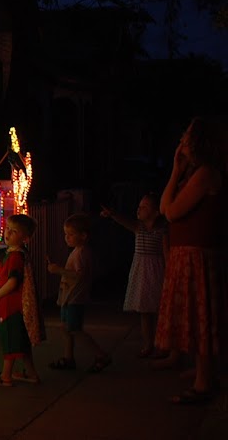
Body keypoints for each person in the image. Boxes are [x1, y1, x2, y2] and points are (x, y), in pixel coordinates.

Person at [154, 116, 225, 404]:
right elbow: (163, 206)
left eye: (185, 138)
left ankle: (204, 382)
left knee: (201, 316)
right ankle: (202, 372)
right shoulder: (195, 173)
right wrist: (175, 171)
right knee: (195, 316)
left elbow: (171, 212)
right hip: (189, 253)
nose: (181, 142)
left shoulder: (206, 173)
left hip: (197, 254)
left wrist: (178, 171)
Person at [101, 192, 168, 357]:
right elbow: (125, 222)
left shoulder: (162, 231)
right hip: (142, 271)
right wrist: (113, 214)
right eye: (139, 206)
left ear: (156, 212)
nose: (139, 210)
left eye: (144, 207)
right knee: (144, 310)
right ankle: (148, 344)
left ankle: (163, 345)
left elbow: (166, 253)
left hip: (157, 271)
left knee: (160, 310)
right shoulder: (139, 228)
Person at [47, 213, 111, 373]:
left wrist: (59, 270)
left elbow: (79, 275)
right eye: (65, 234)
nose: (67, 238)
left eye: (70, 234)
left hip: (75, 298)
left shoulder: (81, 253)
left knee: (75, 329)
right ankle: (68, 357)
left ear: (83, 236)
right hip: (69, 297)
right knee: (66, 328)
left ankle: (101, 354)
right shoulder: (77, 251)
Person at [0, 213, 42, 386]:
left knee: (10, 340)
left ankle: (5, 376)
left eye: (14, 231)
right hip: (17, 306)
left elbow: (13, 282)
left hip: (11, 305)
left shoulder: (15, 257)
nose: (7, 233)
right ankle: (31, 373)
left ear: (25, 238)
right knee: (21, 341)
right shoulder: (19, 253)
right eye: (7, 229)